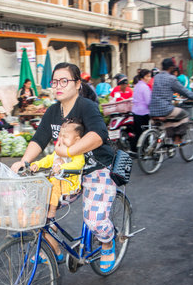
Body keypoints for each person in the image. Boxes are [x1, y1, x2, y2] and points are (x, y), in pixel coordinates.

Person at [12, 62, 116, 273]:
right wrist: (24, 161)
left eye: (64, 81)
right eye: (55, 81)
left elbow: (98, 135)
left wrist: (69, 152)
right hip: (67, 173)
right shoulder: (52, 111)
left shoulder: (86, 106)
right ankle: (55, 247)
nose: (58, 85)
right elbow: (39, 139)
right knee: (37, 209)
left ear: (77, 84)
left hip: (97, 169)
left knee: (95, 220)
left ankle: (107, 243)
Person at [30, 119, 85, 262]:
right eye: (59, 135)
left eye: (65, 137)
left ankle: (52, 210)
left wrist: (62, 167)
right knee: (38, 185)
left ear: (77, 140)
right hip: (55, 189)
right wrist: (36, 164)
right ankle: (55, 252)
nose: (61, 139)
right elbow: (48, 160)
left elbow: (78, 164)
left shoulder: (76, 154)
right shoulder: (57, 153)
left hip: (69, 187)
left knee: (53, 183)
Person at [149, 58, 193, 144]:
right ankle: (177, 138)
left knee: (170, 118)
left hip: (152, 110)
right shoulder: (171, 78)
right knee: (185, 115)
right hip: (165, 109)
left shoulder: (156, 77)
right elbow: (183, 91)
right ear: (171, 67)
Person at [132, 69, 151, 152]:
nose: (150, 78)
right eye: (148, 76)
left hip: (135, 111)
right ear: (144, 77)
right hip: (144, 112)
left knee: (138, 132)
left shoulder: (137, 86)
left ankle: (135, 149)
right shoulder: (145, 87)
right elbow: (148, 101)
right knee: (144, 132)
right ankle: (144, 149)